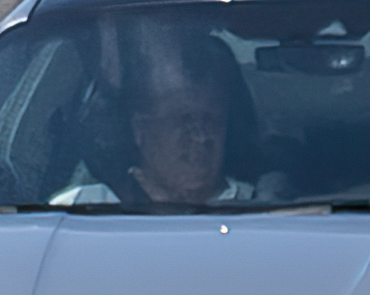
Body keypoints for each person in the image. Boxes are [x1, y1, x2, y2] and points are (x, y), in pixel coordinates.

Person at [52, 34, 257, 205]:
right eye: (185, 121)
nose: (200, 137)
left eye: (212, 121)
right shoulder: (81, 208)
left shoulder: (259, 209)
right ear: (140, 129)